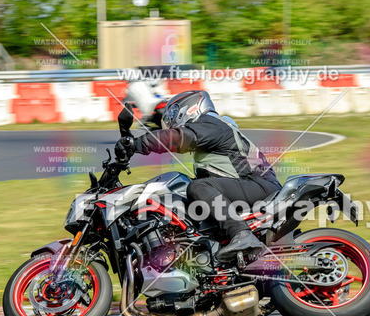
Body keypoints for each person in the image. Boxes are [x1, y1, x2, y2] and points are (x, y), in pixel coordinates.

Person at [115, 90, 281, 262]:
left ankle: (242, 235)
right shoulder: (209, 132)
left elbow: (178, 138)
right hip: (248, 185)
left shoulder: (211, 123)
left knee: (198, 187)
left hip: (259, 184)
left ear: (190, 108)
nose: (171, 121)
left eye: (173, 114)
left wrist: (138, 143)